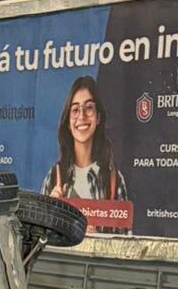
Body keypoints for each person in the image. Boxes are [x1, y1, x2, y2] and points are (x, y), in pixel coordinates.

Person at [41, 75, 129, 206]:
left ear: (98, 117)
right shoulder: (53, 177)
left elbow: (125, 227)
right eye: (75, 110)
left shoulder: (114, 180)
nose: (81, 116)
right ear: (68, 123)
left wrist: (97, 228)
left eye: (88, 107)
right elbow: (37, 226)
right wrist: (51, 212)